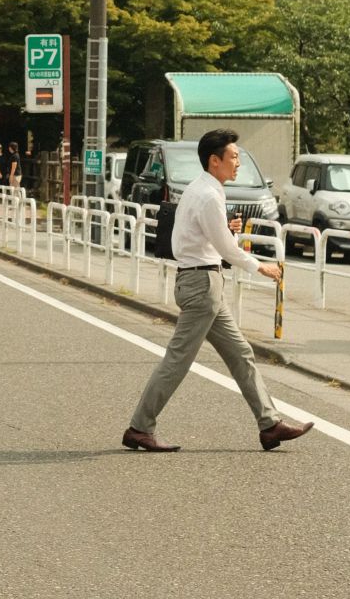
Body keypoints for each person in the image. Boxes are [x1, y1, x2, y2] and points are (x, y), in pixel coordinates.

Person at [121, 128, 314, 454]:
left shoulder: (199, 190)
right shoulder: (209, 195)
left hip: (200, 282)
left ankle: (269, 425)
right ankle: (139, 428)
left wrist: (226, 231)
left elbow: (203, 239)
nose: (238, 163)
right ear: (215, 161)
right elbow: (225, 248)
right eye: (233, 157)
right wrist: (259, 266)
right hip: (202, 286)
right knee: (178, 360)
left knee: (241, 354)